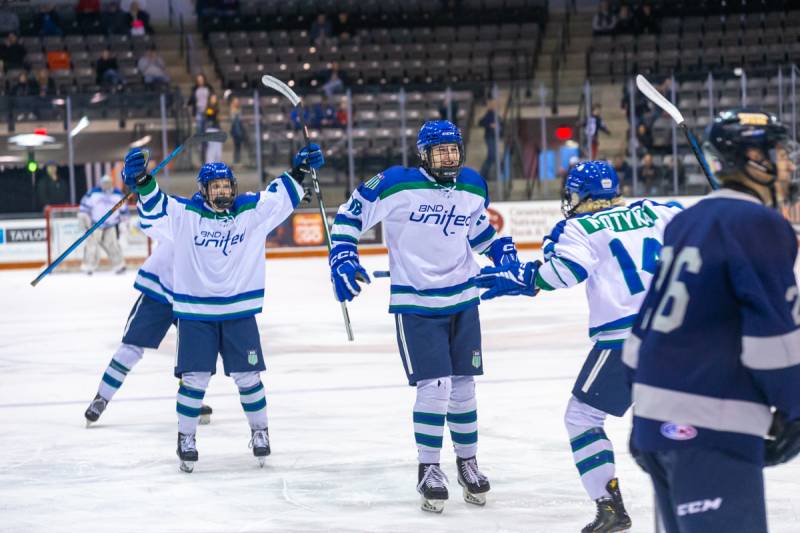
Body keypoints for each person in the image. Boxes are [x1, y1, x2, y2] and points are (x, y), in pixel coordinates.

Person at [474, 160, 682, 532]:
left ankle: (610, 507)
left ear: (582, 195)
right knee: (673, 418)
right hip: (681, 335)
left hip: (627, 339)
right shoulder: (659, 210)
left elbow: (565, 272)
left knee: (582, 417)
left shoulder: (578, 227)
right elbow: (708, 231)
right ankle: (697, 500)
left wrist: (524, 278)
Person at [328, 120, 519, 513]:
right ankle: (429, 468)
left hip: (463, 299)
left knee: (464, 385)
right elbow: (349, 217)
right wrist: (344, 254)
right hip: (417, 304)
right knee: (435, 387)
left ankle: (467, 461)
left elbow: (479, 230)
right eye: (440, 150)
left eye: (453, 149)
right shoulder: (396, 183)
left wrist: (501, 252)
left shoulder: (471, 184)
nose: (448, 156)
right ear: (424, 154)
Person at [623, 109, 800, 533]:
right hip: (710, 426)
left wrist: (646, 415)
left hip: (653, 421)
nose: (788, 163)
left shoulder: (687, 221)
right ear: (750, 158)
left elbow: (637, 340)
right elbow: (771, 344)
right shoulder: (760, 224)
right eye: (778, 152)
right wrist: (796, 410)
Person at [122, 142, 322, 473]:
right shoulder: (186, 215)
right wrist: (142, 180)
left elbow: (278, 196)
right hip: (196, 315)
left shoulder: (249, 212)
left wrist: (300, 171)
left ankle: (260, 432)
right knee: (195, 380)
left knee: (249, 377)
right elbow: (157, 206)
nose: (223, 191)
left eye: (226, 185)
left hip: (238, 314)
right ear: (203, 190)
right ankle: (186, 437)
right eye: (216, 186)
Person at [84, 226, 212, 427]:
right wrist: (143, 193)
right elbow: (148, 217)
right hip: (159, 290)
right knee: (131, 348)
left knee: (195, 354)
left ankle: (193, 399)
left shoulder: (220, 223)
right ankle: (102, 397)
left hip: (191, 297)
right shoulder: (176, 213)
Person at [78, 175, 129, 275]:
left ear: (111, 183)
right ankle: (88, 266)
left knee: (113, 245)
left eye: (108, 183)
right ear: (100, 184)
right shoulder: (93, 193)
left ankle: (119, 266)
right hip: (95, 224)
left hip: (111, 224)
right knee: (91, 246)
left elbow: (124, 211)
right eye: (104, 183)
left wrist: (124, 223)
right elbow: (84, 209)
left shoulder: (117, 194)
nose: (106, 185)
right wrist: (85, 221)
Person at [478, 100, 501, 180]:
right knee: (491, 156)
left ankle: (486, 174)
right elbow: (481, 122)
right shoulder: (489, 114)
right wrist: (490, 125)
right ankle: (483, 174)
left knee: (492, 157)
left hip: (494, 137)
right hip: (490, 137)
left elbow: (501, 124)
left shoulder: (496, 116)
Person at [203, 93, 222, 164]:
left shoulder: (217, 108)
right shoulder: (208, 108)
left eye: (215, 98)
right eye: (212, 98)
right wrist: (215, 111)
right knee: (211, 149)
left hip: (217, 129)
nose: (214, 99)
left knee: (218, 150)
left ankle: (217, 166)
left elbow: (216, 116)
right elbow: (209, 113)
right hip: (210, 129)